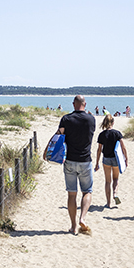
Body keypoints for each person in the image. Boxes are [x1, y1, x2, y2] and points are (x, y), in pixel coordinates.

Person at [56, 95, 96, 235]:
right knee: (87, 191)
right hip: (85, 160)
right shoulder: (91, 119)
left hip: (70, 160)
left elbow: (59, 136)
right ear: (85, 104)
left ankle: (73, 226)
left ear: (74, 104)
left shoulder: (66, 119)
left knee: (71, 194)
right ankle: (82, 218)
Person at [94, 114, 128, 207]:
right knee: (116, 179)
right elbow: (123, 147)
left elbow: (99, 149)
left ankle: (108, 203)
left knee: (107, 181)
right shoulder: (117, 133)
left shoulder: (101, 135)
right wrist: (126, 158)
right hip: (116, 159)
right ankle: (115, 194)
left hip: (106, 159)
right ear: (113, 122)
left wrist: (97, 163)